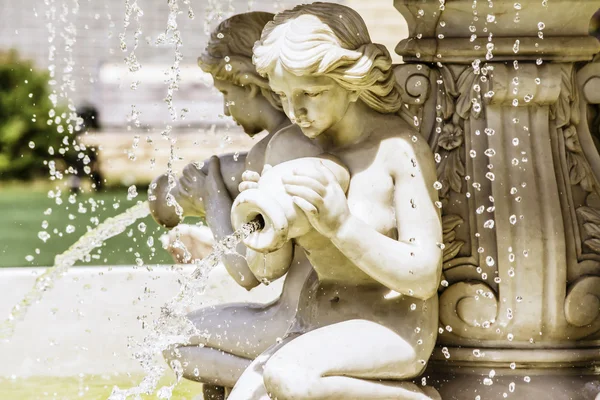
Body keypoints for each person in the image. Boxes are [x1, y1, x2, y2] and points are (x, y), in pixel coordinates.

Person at [227, 3, 443, 399]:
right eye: (283, 95)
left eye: (310, 92)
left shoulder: (397, 152)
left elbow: (425, 276)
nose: (296, 111)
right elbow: (266, 271)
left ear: (351, 78)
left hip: (392, 326)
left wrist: (342, 226)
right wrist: (260, 229)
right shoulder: (287, 145)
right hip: (314, 324)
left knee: (291, 378)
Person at [154, 12, 321, 400]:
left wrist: (212, 194)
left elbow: (248, 273)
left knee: (170, 337)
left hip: (294, 320)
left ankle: (277, 383)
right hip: (316, 315)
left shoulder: (273, 151)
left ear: (251, 84)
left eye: (226, 95)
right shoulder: (314, 139)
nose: (226, 110)